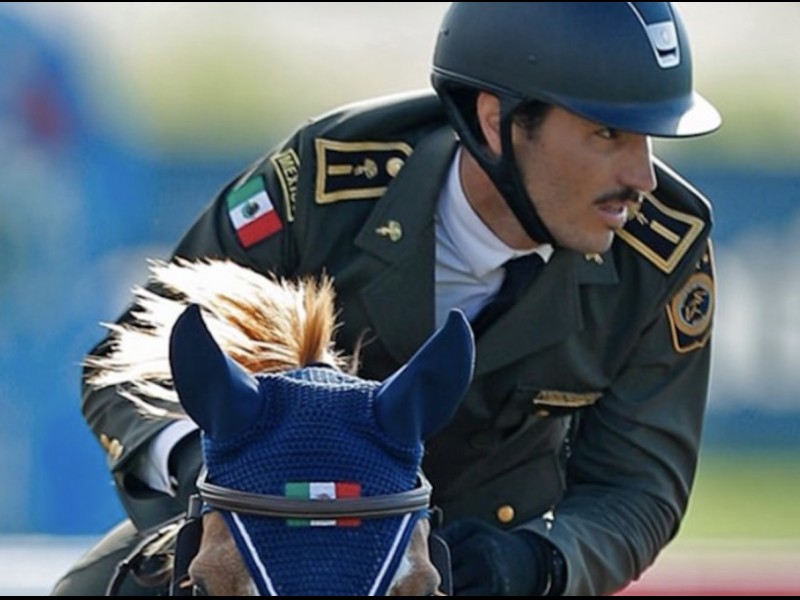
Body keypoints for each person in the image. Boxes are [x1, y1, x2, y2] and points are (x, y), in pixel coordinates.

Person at [53, 2, 721, 596]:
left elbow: (638, 488)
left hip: (477, 564)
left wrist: (537, 564)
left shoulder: (664, 253)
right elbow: (131, 364)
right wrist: (209, 466)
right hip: (262, 536)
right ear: (497, 121)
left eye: (647, 139)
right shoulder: (320, 183)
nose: (642, 176)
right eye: (607, 134)